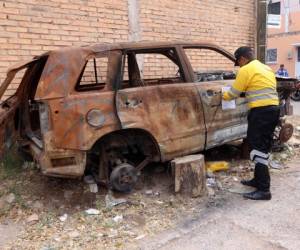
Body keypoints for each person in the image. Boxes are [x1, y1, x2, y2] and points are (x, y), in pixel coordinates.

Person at [223, 46, 280, 200]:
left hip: (260, 112)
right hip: (273, 109)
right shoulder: (265, 68)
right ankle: (258, 180)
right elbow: (259, 88)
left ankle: (264, 190)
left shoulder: (246, 69)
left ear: (242, 59)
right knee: (263, 146)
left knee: (257, 148)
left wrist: (223, 96)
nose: (239, 65)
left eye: (239, 62)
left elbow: (233, 93)